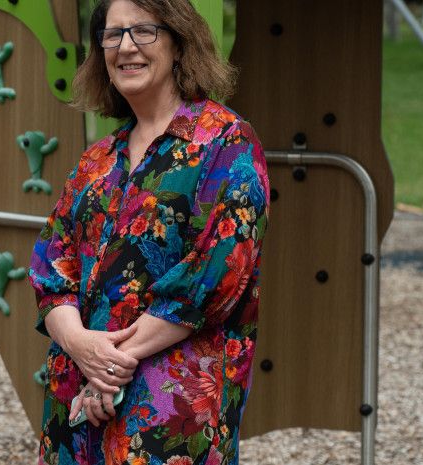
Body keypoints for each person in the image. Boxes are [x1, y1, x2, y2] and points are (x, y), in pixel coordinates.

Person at [28, 0, 270, 463]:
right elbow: (49, 268)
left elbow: (220, 275)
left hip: (167, 404)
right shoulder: (96, 159)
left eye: (143, 31)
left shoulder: (226, 142)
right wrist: (81, 347)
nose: (125, 47)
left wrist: (108, 366)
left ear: (178, 43)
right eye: (113, 35)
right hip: (76, 395)